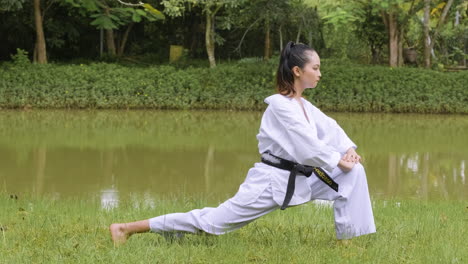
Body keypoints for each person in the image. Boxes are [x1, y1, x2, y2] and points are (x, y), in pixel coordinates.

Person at [109, 41, 376, 245]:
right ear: (297, 71)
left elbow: (329, 128)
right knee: (214, 223)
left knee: (352, 175)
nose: (320, 73)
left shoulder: (302, 105)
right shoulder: (280, 106)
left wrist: (347, 150)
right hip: (271, 182)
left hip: (301, 177)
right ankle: (127, 228)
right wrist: (335, 159)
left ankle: (347, 243)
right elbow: (306, 144)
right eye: (315, 68)